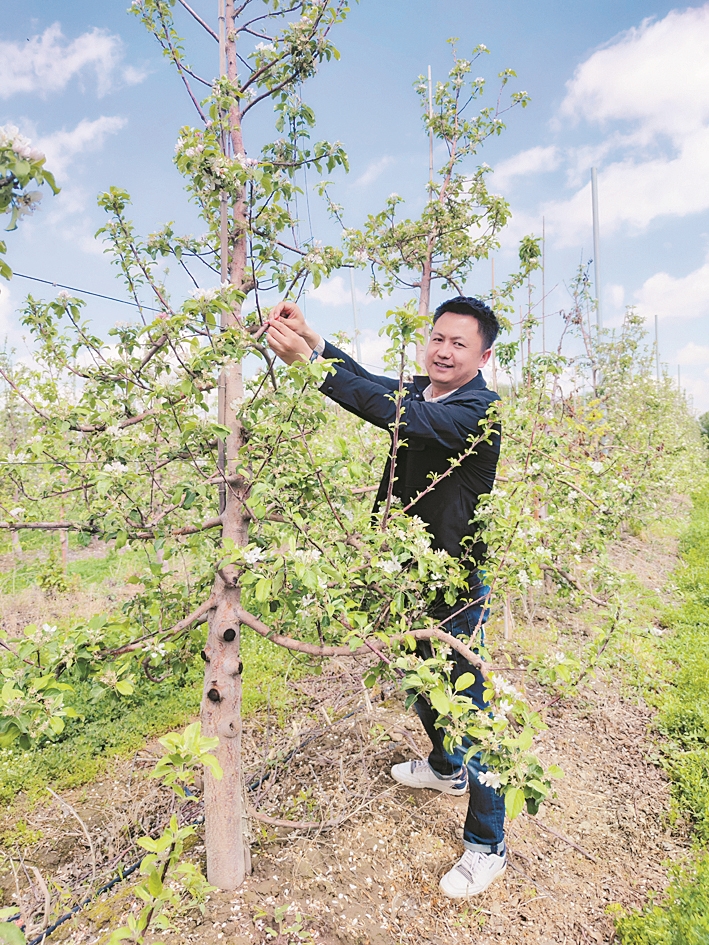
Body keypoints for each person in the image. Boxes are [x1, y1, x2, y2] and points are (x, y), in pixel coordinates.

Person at [266, 296, 505, 898]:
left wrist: (308, 368)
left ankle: (487, 843)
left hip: (456, 585)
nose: (444, 351)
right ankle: (446, 770)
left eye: (459, 344)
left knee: (471, 712)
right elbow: (372, 382)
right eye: (438, 338)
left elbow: (391, 412)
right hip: (405, 575)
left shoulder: (481, 412)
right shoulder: (425, 390)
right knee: (419, 683)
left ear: (484, 355)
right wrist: (316, 343)